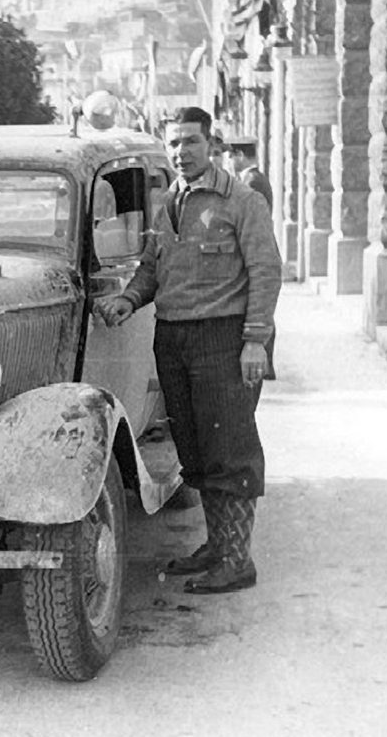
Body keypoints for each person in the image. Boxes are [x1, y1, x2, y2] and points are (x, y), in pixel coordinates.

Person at [96, 106, 282, 594]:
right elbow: (152, 268)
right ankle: (218, 547)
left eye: (191, 141)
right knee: (196, 449)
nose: (182, 151)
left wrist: (254, 342)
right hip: (174, 338)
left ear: (212, 145)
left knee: (230, 450)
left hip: (222, 339)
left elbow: (266, 272)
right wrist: (127, 299)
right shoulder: (169, 203)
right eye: (174, 143)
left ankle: (237, 561)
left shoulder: (241, 200)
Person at [225, 136, 273, 208]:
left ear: (240, 155)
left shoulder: (252, 181)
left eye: (231, 157)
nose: (229, 162)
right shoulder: (252, 178)